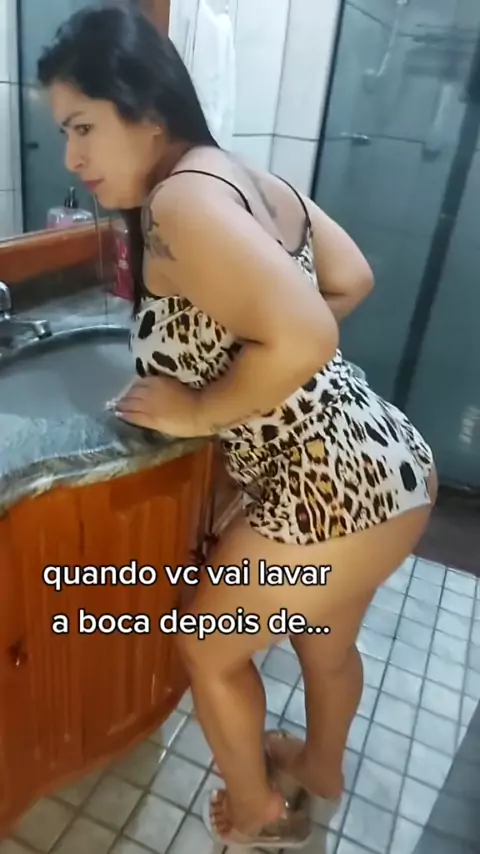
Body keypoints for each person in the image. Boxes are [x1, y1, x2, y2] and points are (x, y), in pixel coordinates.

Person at [39, 3, 437, 847]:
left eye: (82, 127)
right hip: (387, 458)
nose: (71, 158)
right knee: (324, 644)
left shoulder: (182, 202)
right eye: (63, 134)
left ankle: (258, 812)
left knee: (206, 646)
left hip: (328, 485)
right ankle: (320, 771)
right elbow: (350, 279)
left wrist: (204, 405)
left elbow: (308, 333)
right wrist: (265, 365)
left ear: (147, 111)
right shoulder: (243, 177)